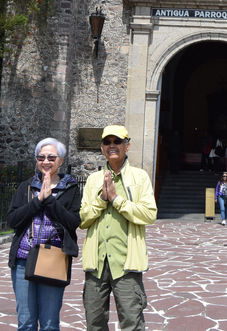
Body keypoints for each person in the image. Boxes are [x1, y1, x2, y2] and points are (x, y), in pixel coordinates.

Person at [79, 125, 158, 331]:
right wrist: (102, 200)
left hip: (126, 262)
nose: (112, 146)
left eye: (117, 142)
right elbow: (83, 219)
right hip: (96, 263)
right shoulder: (93, 180)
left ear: (127, 145)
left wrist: (116, 200)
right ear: (102, 147)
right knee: (94, 324)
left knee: (132, 323)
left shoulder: (140, 177)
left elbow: (149, 214)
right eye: (107, 142)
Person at [7, 138, 81, 331]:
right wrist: (38, 200)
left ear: (61, 160)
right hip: (24, 259)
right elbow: (13, 220)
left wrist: (50, 201)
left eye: (51, 157)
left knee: (49, 324)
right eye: (41, 157)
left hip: (54, 259)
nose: (46, 161)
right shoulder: (27, 187)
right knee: (26, 322)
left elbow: (73, 222)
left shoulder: (70, 188)